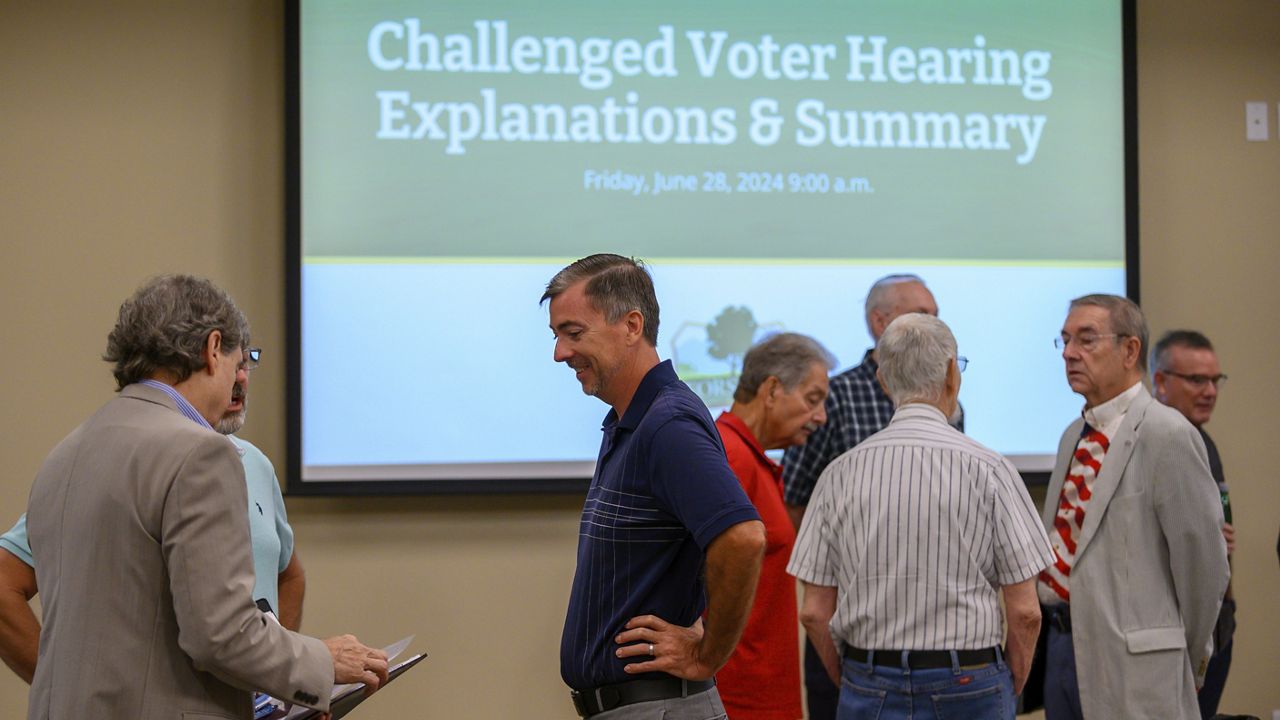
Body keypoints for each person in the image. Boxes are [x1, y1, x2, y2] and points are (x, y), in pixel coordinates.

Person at [23, 275, 388, 719]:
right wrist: (322, 662)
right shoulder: (200, 452)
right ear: (213, 348)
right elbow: (221, 635)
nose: (240, 377)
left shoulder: (65, 455)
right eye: (240, 359)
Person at [789, 313, 1053, 720]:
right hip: (970, 679)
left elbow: (814, 611)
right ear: (952, 375)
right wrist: (1010, 684)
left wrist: (854, 678)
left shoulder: (837, 474)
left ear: (883, 380)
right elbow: (1026, 611)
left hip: (868, 676)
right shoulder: (992, 469)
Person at [542, 254, 766, 719]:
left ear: (631, 325)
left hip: (659, 707)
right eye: (557, 335)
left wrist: (707, 655)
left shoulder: (667, 425)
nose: (560, 353)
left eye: (573, 333)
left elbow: (743, 538)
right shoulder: (629, 421)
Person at [0, 347, 305, 685]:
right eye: (232, 363)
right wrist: (58, 687)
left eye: (248, 361)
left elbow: (289, 576)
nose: (242, 376)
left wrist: (277, 683)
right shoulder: (120, 461)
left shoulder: (256, 464)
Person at [1037, 295, 1229, 720]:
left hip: (1137, 664)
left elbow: (1204, 567)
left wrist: (1187, 658)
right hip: (1062, 647)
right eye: (1065, 340)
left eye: (1087, 340)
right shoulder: (1073, 434)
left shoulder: (1167, 433)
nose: (1069, 353)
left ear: (1129, 350)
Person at [779, 273, 958, 718]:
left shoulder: (951, 404)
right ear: (880, 322)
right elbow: (795, 498)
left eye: (937, 314)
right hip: (849, 619)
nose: (937, 324)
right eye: (924, 314)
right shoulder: (834, 397)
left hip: (935, 622)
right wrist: (840, 568)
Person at [713, 333, 835, 720]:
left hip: (764, 688)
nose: (821, 417)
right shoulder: (731, 457)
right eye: (812, 400)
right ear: (771, 390)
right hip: (740, 694)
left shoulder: (751, 457)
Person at [1151, 330, 1235, 719]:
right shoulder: (1148, 442)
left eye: (1215, 380)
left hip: (1216, 628)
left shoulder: (1206, 441)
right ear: (1161, 382)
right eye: (1197, 380)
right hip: (1169, 637)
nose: (1210, 391)